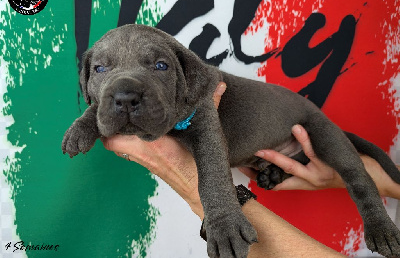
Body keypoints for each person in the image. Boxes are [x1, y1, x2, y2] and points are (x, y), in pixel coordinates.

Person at [102, 82, 400, 258]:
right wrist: (384, 181)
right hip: (272, 141)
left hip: (295, 128)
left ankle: (378, 219)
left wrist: (198, 188)